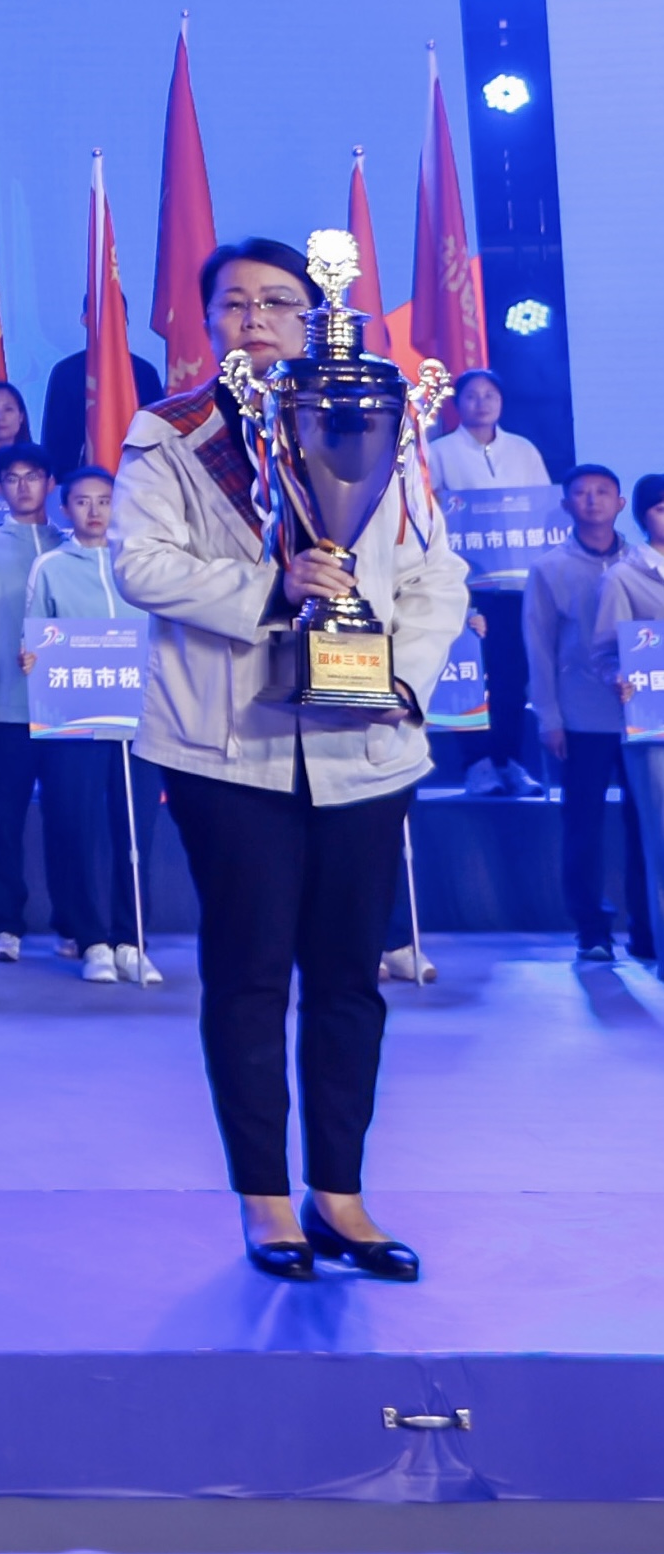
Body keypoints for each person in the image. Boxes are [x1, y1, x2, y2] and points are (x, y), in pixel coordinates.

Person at [117, 237, 466, 1283]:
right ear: (205, 321)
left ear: (312, 316)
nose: (255, 320)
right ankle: (264, 1202)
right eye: (233, 304)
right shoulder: (173, 431)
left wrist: (403, 677)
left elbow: (433, 574)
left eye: (276, 302)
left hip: (364, 745)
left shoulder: (376, 415)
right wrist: (272, 589)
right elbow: (139, 566)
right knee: (248, 977)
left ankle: (339, 1196)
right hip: (229, 751)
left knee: (349, 981)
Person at [22, 466, 167, 984]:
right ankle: (92, 941)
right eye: (83, 501)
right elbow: (34, 638)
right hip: (75, 719)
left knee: (135, 833)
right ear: (65, 508)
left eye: (104, 500)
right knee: (76, 829)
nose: (95, 510)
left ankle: (131, 939)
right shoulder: (51, 566)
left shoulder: (140, 563)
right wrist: (30, 658)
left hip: (139, 720)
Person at [0, 443, 93, 967]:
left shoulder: (74, 546)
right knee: (4, 820)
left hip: (68, 708)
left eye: (33, 476)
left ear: (50, 483)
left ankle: (74, 923)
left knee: (71, 820)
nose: (23, 486)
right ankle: (4, 925)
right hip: (8, 708)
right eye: (12, 478)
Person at [525, 464, 653, 965]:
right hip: (581, 718)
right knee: (583, 826)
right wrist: (549, 717)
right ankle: (592, 929)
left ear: (621, 504)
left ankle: (648, 929)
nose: (593, 500)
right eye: (581, 493)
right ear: (566, 504)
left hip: (644, 716)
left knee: (648, 826)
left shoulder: (646, 563)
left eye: (603, 492)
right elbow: (539, 647)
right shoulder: (548, 568)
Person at [429, 370, 553, 798]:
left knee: (511, 674)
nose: (481, 403)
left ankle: (510, 761)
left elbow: (541, 509)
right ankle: (477, 764)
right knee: (471, 671)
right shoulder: (439, 452)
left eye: (490, 395)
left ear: (501, 402)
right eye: (472, 396)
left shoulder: (523, 449)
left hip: (516, 583)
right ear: (457, 404)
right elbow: (428, 511)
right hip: (464, 582)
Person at [583, 473, 664, 965]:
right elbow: (603, 652)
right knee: (661, 843)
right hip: (653, 725)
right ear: (643, 516)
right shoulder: (622, 577)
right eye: (661, 509)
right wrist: (617, 676)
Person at [40, 338, 162, 487]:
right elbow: (55, 437)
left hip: (137, 482)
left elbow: (157, 433)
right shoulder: (66, 371)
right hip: (76, 483)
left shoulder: (144, 372)